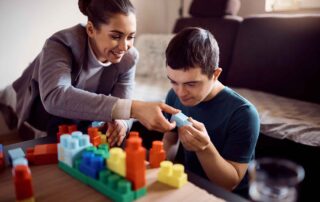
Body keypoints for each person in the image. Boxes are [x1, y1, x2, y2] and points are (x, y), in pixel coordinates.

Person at [3, 0, 178, 146]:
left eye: (130, 37)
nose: (125, 47)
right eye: (116, 36)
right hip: (34, 96)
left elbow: (122, 102)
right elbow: (55, 96)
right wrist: (135, 108)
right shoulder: (61, 44)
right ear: (91, 30)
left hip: (75, 108)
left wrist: (122, 124)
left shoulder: (129, 58)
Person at [163, 27, 260, 196]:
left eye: (191, 84)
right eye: (173, 82)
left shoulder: (243, 114)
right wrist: (162, 169)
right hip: (192, 183)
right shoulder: (173, 95)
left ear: (215, 74)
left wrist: (204, 148)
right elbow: (170, 139)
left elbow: (230, 183)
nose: (180, 92)